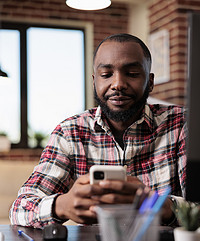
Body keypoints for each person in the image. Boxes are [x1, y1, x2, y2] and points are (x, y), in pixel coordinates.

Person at [9, 33, 186, 229]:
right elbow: (20, 209)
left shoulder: (181, 124)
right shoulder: (70, 132)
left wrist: (163, 207)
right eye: (106, 74)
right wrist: (62, 205)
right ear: (94, 82)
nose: (118, 84)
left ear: (150, 82)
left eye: (132, 74)